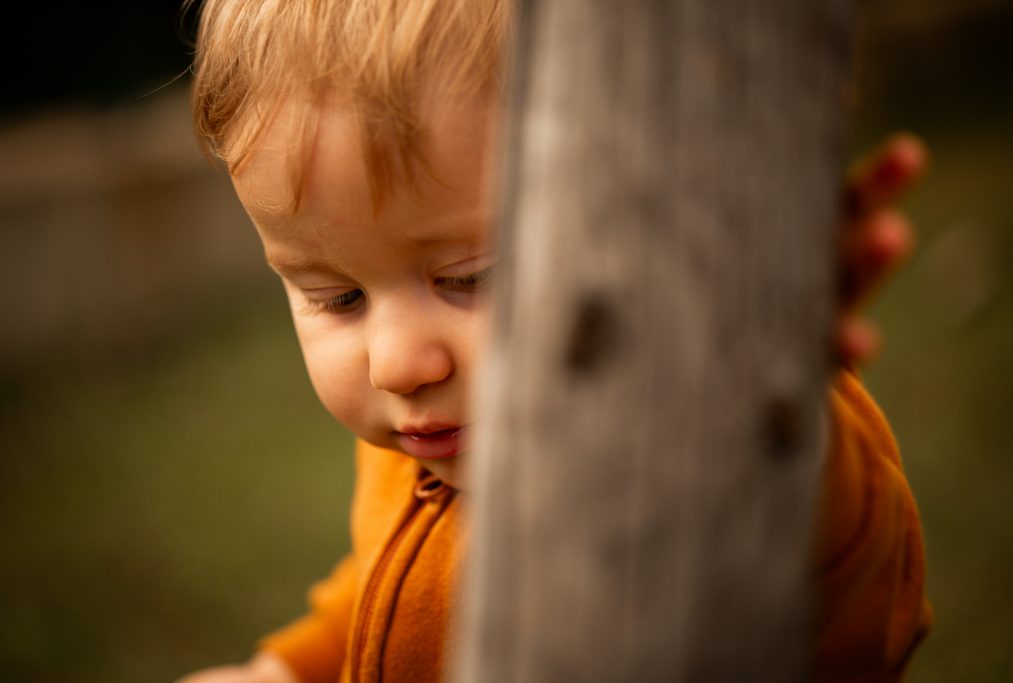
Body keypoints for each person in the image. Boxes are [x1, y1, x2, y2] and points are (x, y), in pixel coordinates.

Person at [177, 1, 931, 681]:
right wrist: (283, 668)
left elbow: (843, 570)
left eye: (471, 276)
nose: (397, 364)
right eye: (334, 297)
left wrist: (755, 394)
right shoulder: (417, 441)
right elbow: (381, 592)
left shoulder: (686, 432)